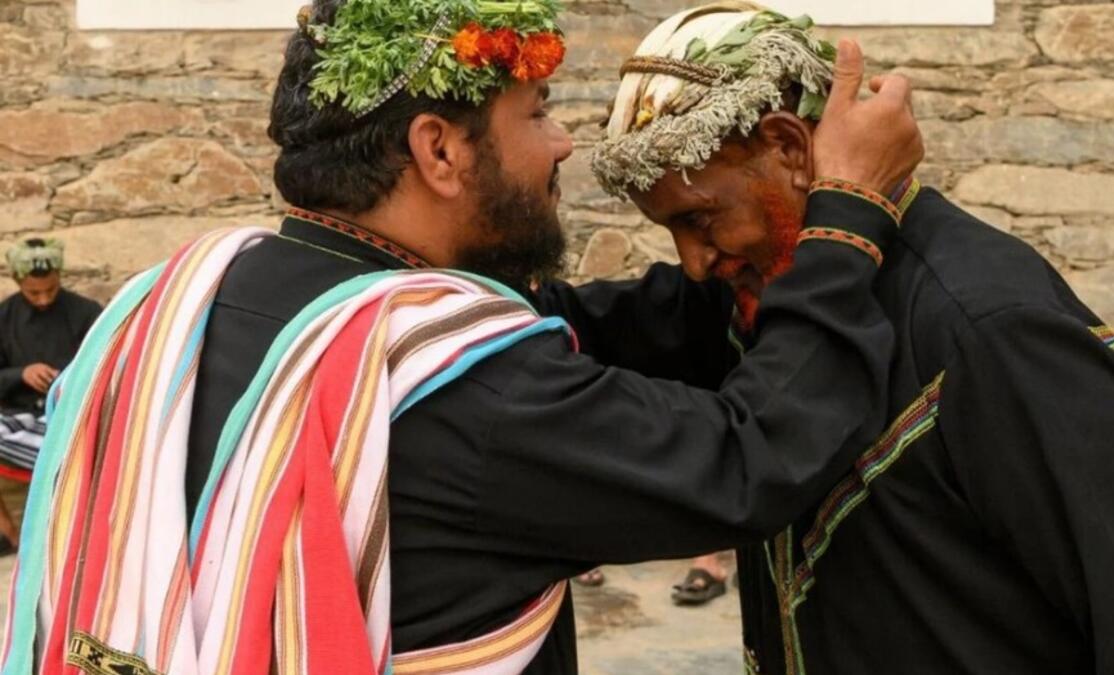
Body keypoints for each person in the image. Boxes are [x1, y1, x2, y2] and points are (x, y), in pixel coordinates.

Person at [1, 1, 922, 674]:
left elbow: (575, 322)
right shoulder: (453, 389)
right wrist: (845, 222)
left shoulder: (197, 296)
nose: (563, 145)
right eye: (539, 113)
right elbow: (749, 458)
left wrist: (730, 260)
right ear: (440, 151)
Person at [593, 3, 1114, 673]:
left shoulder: (991, 326)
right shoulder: (767, 296)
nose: (695, 261)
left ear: (791, 148)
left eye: (702, 218)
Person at [0, 239, 100, 557]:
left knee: (80, 444)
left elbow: (106, 365)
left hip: (72, 414)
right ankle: (6, 532)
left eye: (51, 290)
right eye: (34, 293)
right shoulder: (3, 318)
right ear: (17, 282)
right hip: (20, 416)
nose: (43, 299)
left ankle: (81, 531)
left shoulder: (87, 312)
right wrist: (21, 374)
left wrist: (68, 379)